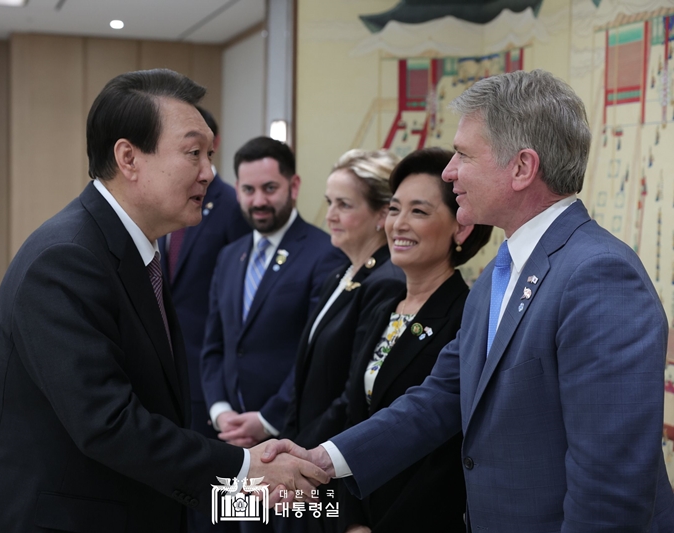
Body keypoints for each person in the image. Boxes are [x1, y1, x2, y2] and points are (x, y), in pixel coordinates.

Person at [265, 70, 674, 532]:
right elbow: (439, 397)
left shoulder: (599, 276)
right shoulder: (500, 273)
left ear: (522, 167)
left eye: (463, 154)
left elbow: (610, 484)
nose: (449, 171)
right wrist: (322, 459)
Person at [0, 69, 328, 533]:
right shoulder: (67, 258)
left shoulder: (135, 247)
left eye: (210, 154)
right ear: (128, 157)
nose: (209, 173)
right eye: (193, 154)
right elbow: (107, 422)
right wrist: (245, 470)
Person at [335, 147, 491, 533]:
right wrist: (352, 521)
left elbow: (446, 450)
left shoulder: (468, 316)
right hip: (360, 512)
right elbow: (354, 417)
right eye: (394, 209)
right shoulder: (383, 307)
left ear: (462, 227)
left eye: (418, 212)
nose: (399, 224)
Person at [200, 136, 345, 532]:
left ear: (293, 186)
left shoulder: (324, 253)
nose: (258, 200)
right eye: (248, 190)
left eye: (269, 188)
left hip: (291, 445)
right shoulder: (230, 256)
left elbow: (317, 357)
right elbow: (214, 347)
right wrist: (221, 412)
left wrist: (266, 420)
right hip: (232, 447)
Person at [158, 107, 251, 533]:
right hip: (164, 361)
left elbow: (238, 293)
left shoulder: (228, 202)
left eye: (204, 149)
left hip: (208, 368)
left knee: (218, 493)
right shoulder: (160, 198)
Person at [282, 149, 404, 449]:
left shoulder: (386, 282)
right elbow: (305, 376)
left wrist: (304, 451)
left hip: (334, 454)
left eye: (344, 205)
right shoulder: (340, 274)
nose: (330, 216)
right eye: (329, 202)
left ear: (382, 214)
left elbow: (354, 392)